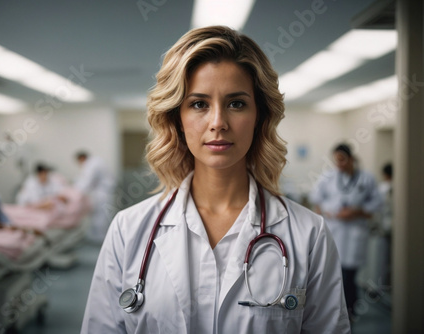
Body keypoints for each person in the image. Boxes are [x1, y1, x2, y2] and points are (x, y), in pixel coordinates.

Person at [81, 26, 350, 333]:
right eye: (199, 104)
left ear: (259, 116)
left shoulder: (308, 234)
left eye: (236, 103)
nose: (218, 123)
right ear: (177, 119)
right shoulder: (128, 231)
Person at [309, 143, 382, 319]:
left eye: (342, 159)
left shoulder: (366, 178)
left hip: (355, 231)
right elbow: (315, 199)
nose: (338, 163)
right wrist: (327, 213)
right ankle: (338, 311)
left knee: (349, 275)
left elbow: (377, 203)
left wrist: (358, 211)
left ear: (350, 158)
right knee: (335, 273)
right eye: (336, 160)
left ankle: (349, 311)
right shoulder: (328, 177)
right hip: (334, 229)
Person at [74, 151, 116, 243]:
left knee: (101, 216)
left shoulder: (91, 164)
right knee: (100, 215)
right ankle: (100, 237)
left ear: (81, 158)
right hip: (102, 193)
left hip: (102, 194)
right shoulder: (96, 161)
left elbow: (86, 182)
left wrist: (74, 193)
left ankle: (101, 239)